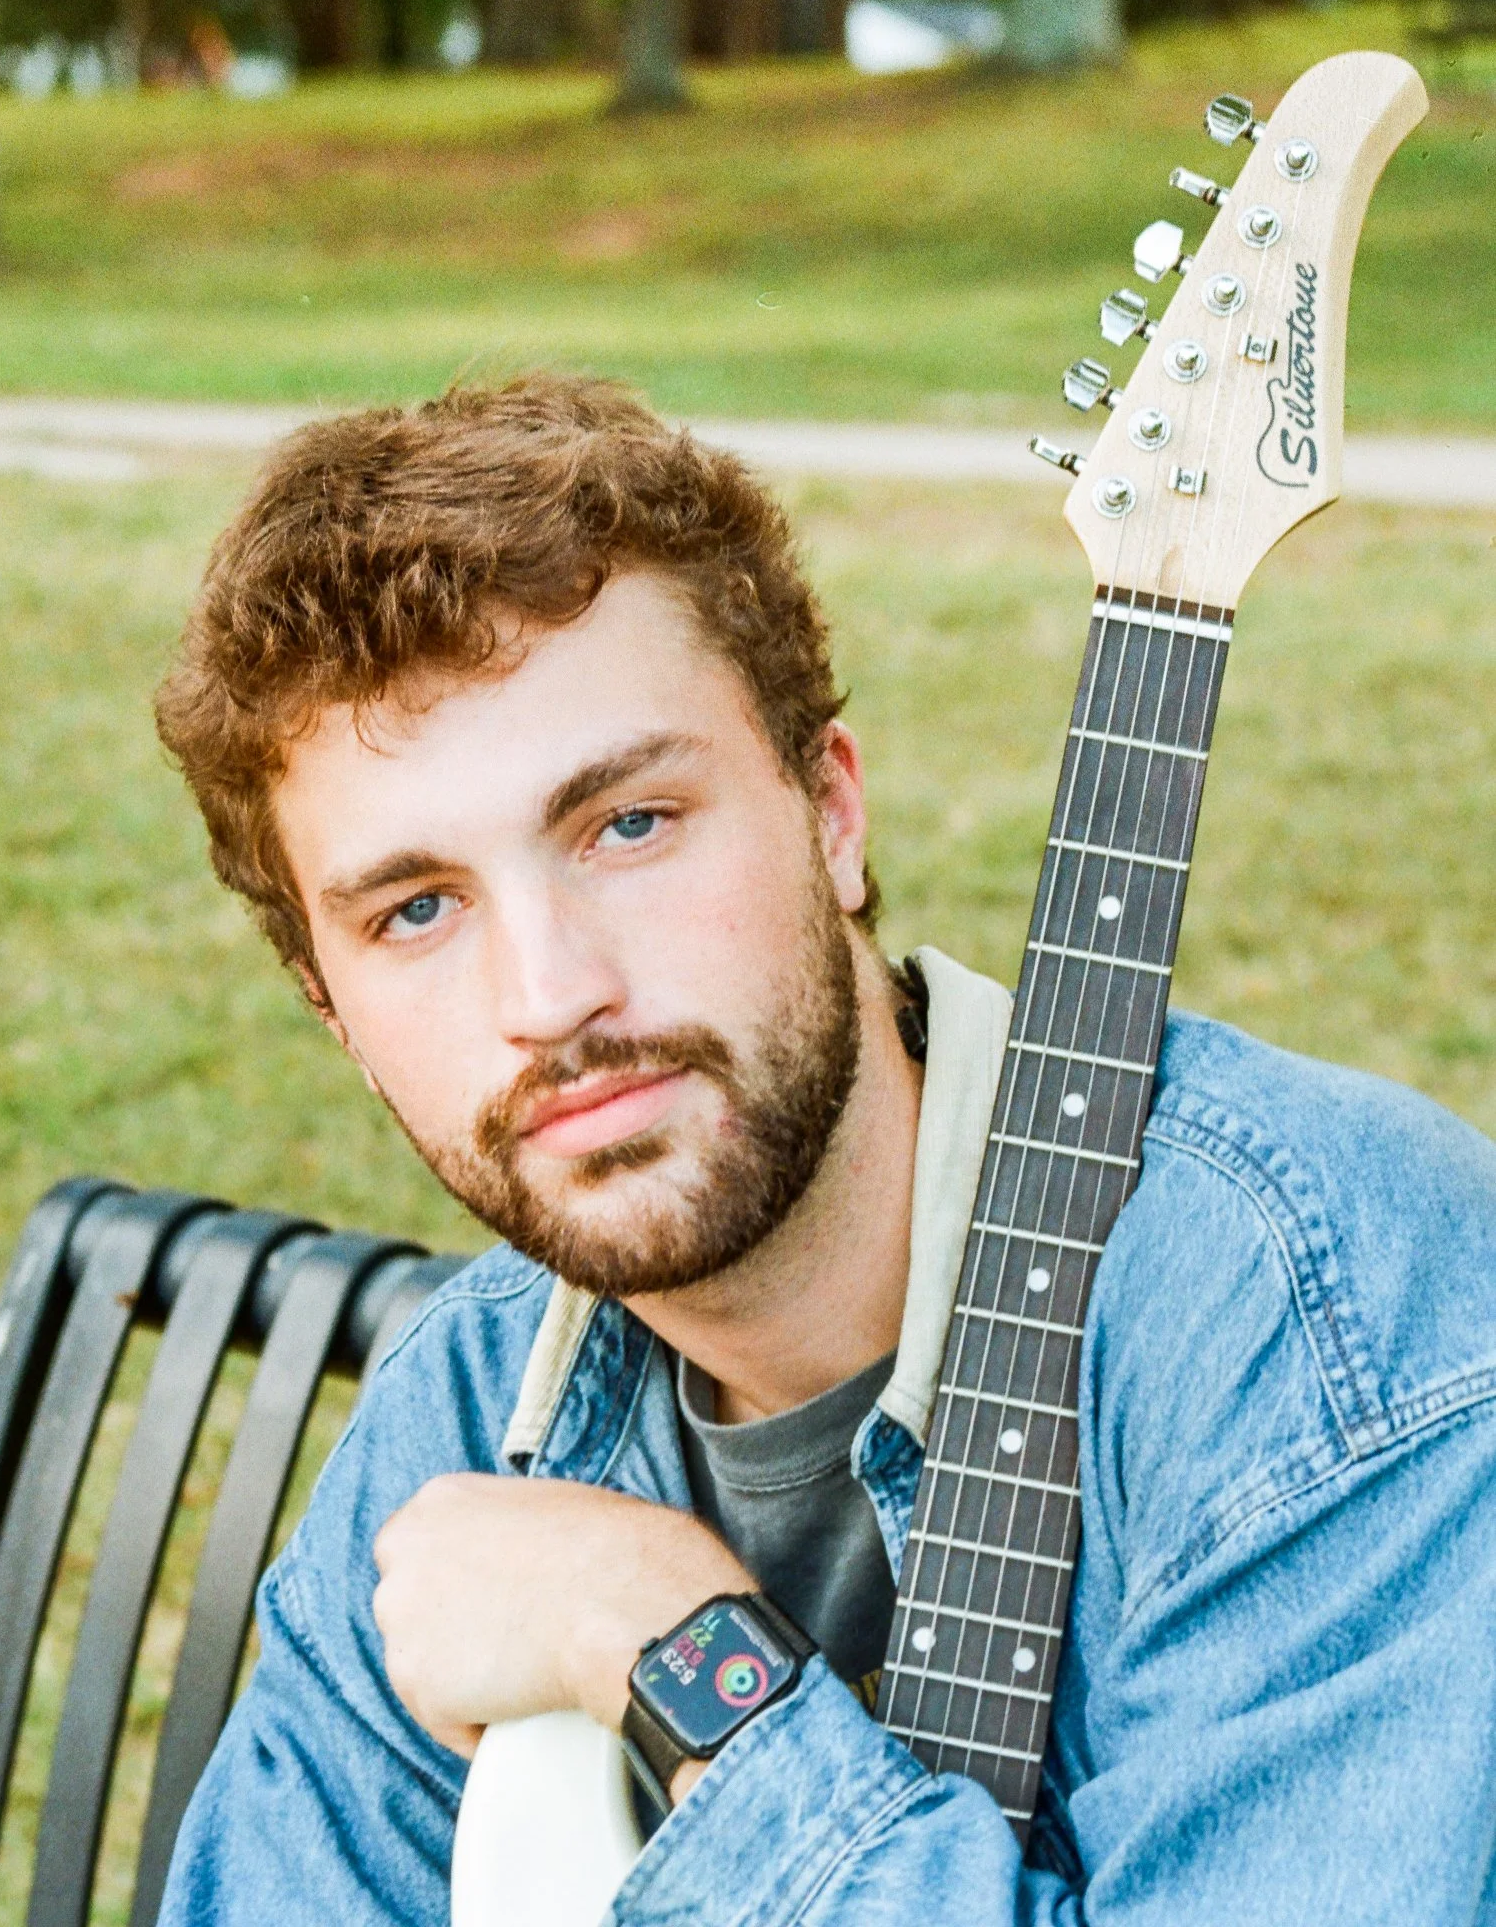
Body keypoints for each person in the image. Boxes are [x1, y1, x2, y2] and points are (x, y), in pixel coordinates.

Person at [153, 374, 1496, 1925]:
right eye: (417, 912)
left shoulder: (1324, 1314)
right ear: (334, 1013)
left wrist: (670, 1646)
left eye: (629, 825)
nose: (549, 997)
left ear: (829, 814)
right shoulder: (461, 1420)